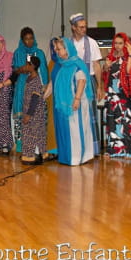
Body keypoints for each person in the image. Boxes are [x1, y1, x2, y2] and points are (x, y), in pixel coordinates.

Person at [49, 37, 94, 166]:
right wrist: (43, 95)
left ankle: (77, 158)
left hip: (76, 103)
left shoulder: (76, 63)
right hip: (63, 104)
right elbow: (53, 84)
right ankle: (67, 157)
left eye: (59, 49)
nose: (57, 51)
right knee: (65, 131)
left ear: (67, 49)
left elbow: (82, 80)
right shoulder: (60, 65)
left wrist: (77, 99)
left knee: (76, 131)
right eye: (56, 49)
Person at [102, 32, 131, 159]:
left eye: (120, 43)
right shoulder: (111, 56)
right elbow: (106, 74)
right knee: (113, 122)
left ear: (126, 44)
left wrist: (129, 54)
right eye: (116, 43)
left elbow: (130, 72)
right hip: (113, 94)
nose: (118, 46)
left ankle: (130, 151)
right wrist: (106, 67)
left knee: (127, 122)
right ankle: (115, 151)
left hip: (125, 94)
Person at [69, 13, 103, 153]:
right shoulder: (68, 44)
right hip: (72, 83)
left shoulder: (92, 43)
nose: (84, 29)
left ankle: (92, 149)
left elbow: (96, 65)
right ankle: (77, 149)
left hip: (88, 82)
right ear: (73, 28)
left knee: (90, 115)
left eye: (85, 27)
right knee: (74, 116)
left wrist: (100, 86)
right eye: (81, 27)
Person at [11, 27, 49, 150]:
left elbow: (44, 71)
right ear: (22, 40)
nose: (29, 41)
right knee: (22, 116)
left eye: (31, 38)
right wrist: (22, 69)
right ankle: (21, 147)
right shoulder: (18, 53)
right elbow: (14, 70)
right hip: (22, 87)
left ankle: (37, 148)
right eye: (26, 39)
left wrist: (44, 87)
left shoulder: (40, 53)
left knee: (36, 114)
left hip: (37, 87)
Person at [20, 56, 52, 164]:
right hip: (28, 110)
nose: (25, 67)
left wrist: (29, 114)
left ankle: (32, 156)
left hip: (34, 113)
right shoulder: (29, 78)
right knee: (31, 133)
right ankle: (34, 155)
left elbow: (35, 99)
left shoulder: (36, 81)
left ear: (32, 66)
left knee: (33, 134)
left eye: (27, 65)